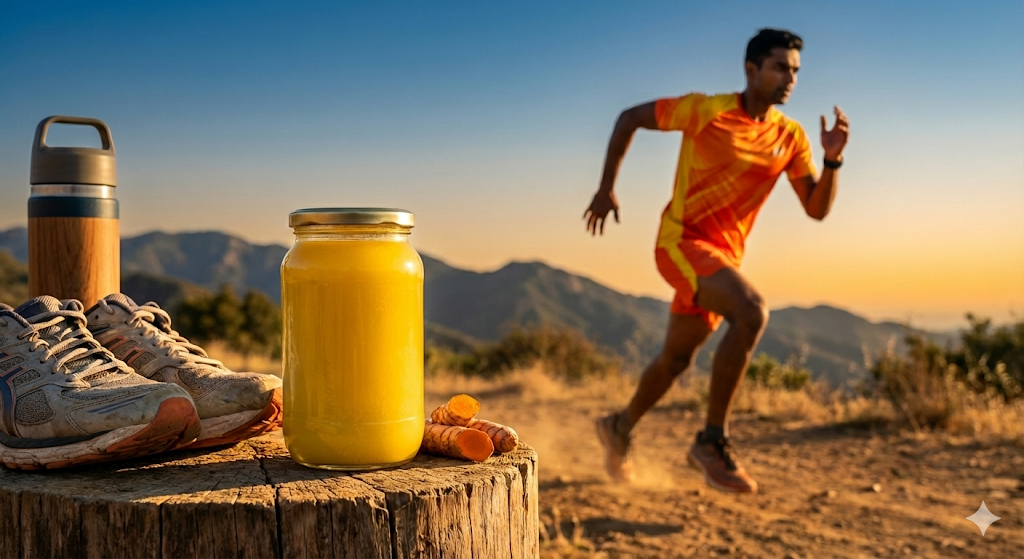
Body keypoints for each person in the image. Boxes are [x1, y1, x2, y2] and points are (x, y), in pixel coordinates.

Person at [587, 28, 849, 493]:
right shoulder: (705, 111)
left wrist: (831, 162)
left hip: (723, 259)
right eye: (780, 67)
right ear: (751, 70)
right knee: (751, 311)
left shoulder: (789, 136)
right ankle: (711, 442)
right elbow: (629, 118)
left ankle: (618, 427)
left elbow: (816, 208)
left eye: (795, 71)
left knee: (676, 360)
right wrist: (607, 187)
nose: (790, 78)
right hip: (680, 243)